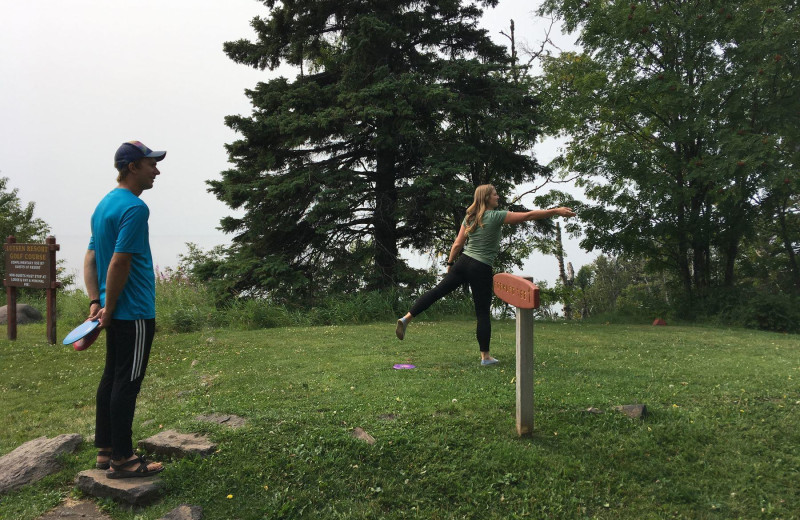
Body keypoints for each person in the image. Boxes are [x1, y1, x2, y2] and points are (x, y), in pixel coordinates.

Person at [395, 184, 576, 365]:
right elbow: (528, 216)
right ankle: (485, 357)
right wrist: (556, 211)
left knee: (436, 292)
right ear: (487, 198)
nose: (498, 197)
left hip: (463, 262)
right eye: (495, 195)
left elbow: (458, 244)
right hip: (481, 267)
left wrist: (450, 263)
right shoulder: (497, 216)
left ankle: (407, 318)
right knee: (482, 312)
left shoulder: (470, 218)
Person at [83, 140, 166, 478]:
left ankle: (106, 451)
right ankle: (124, 459)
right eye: (151, 164)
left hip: (114, 311)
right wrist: (111, 304)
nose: (156, 170)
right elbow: (119, 261)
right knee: (127, 383)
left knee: (111, 379)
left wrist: (96, 302)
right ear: (133, 167)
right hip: (133, 312)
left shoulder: (104, 206)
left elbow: (90, 258)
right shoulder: (134, 208)